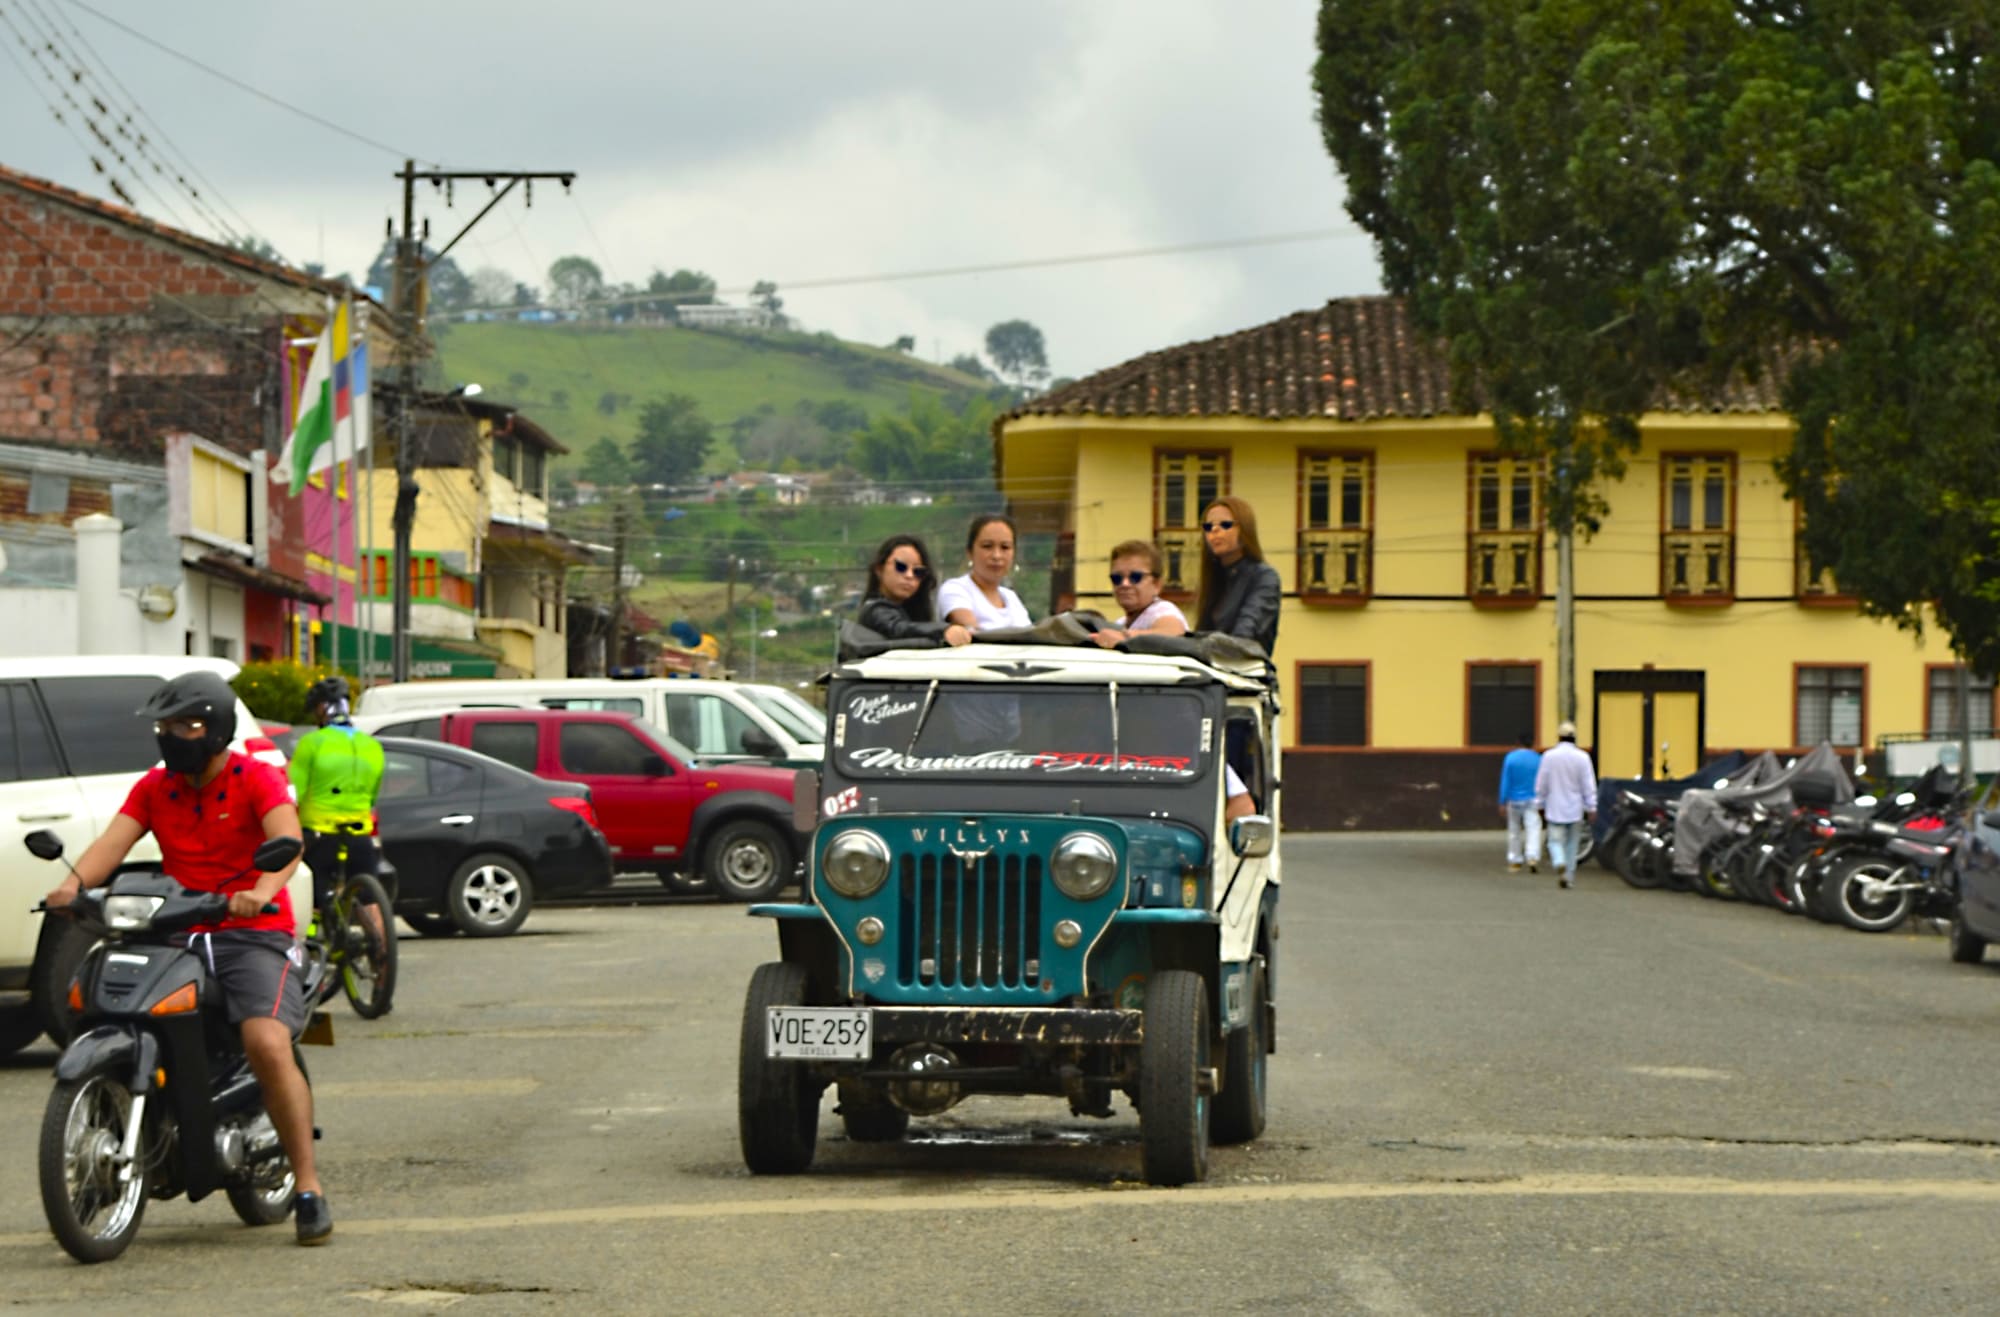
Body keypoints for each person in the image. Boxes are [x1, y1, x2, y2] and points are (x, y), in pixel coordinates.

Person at [42, 671, 332, 1244]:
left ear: (217, 728)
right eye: (166, 726)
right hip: (173, 928)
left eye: (188, 725)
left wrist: (262, 889)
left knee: (267, 1042)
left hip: (249, 932)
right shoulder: (156, 787)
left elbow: (288, 842)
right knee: (105, 1005)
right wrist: (73, 887)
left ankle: (308, 1186)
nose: (175, 736)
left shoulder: (257, 778)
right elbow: (112, 844)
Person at [291, 676, 387, 913]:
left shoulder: (312, 743)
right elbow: (373, 796)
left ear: (322, 708)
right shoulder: (372, 745)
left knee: (310, 888)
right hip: (359, 832)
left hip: (319, 834)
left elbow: (293, 793)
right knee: (370, 897)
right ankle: (382, 946)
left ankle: (313, 941)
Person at [1193, 495, 1281, 655]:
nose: (1214, 530)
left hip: (1247, 673)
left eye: (1225, 525)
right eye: (1208, 526)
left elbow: (1246, 632)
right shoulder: (1213, 580)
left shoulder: (1264, 577)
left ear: (1245, 530)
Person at [858, 535, 972, 646]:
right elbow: (898, 628)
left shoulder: (912, 613)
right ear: (879, 569)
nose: (909, 575)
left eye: (918, 572)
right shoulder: (874, 610)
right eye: (901, 567)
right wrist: (943, 630)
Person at [939, 513, 1032, 631]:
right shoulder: (955, 589)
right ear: (970, 552)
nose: (997, 556)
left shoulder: (1011, 598)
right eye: (987, 546)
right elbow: (975, 634)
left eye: (1005, 547)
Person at [1090, 539, 1188, 648]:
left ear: (1156, 584)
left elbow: (1174, 632)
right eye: (1117, 578)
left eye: (1135, 577)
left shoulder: (1162, 610)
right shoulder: (1120, 623)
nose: (1124, 584)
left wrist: (1123, 637)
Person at [1535, 721, 1597, 890]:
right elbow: (1588, 784)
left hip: (1554, 806)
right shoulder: (1583, 757)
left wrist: (1539, 803)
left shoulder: (1549, 756)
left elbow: (1542, 783)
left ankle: (1559, 861)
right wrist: (1592, 806)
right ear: (1574, 737)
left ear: (1559, 737)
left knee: (1554, 841)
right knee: (1572, 844)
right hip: (1575, 808)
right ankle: (1568, 876)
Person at [1498, 731, 1542, 874]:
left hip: (1514, 799)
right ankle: (1532, 857)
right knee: (1533, 828)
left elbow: (1506, 781)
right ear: (1532, 743)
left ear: (1518, 742)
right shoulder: (1538, 759)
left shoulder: (1510, 758)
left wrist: (1502, 801)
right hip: (1532, 799)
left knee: (1514, 830)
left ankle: (1515, 860)